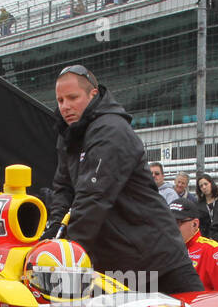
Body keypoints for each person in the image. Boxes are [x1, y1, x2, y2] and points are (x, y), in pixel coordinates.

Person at [47, 65, 202, 294]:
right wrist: (54, 232)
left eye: (72, 97)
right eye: (60, 100)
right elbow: (63, 189)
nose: (65, 107)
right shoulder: (69, 134)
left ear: (93, 94)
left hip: (158, 259)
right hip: (116, 264)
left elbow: (93, 196)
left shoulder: (111, 129)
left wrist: (67, 252)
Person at [172, 201, 218, 292]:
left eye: (177, 223)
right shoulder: (160, 249)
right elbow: (148, 290)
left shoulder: (212, 250)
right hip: (166, 304)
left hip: (199, 305)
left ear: (195, 224)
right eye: (169, 222)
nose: (172, 227)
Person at [195, 173, 218, 242]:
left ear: (211, 184)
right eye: (201, 186)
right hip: (204, 240)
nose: (204, 187)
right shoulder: (198, 205)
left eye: (206, 184)